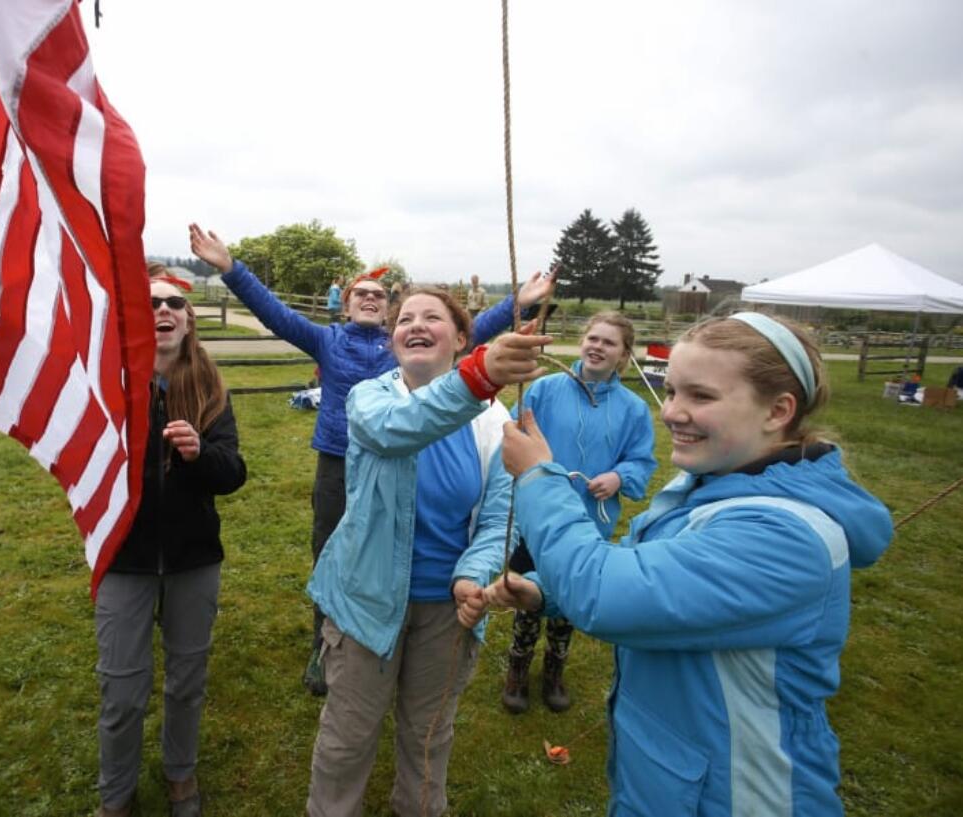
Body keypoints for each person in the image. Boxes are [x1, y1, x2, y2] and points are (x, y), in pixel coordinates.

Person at [485, 312, 892, 816]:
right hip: (675, 783)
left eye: (701, 396)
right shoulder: (714, 487)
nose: (672, 412)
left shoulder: (784, 535)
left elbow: (605, 595)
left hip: (737, 796)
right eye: (672, 391)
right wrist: (547, 593)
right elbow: (647, 575)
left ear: (777, 410)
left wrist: (537, 480)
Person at [188, 222, 553, 697]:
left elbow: (471, 331)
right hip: (338, 463)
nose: (369, 297)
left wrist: (518, 303)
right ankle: (327, 640)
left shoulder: (401, 349)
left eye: (379, 295)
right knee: (332, 548)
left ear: (386, 313)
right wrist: (232, 270)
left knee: (387, 546)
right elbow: (274, 314)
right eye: (360, 292)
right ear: (345, 304)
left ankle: (395, 626)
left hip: (395, 465)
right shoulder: (327, 341)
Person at [305, 287, 550, 817]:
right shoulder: (369, 399)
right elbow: (401, 431)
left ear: (460, 338)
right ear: (393, 340)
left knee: (428, 735)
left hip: (447, 609)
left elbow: (499, 520)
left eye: (431, 317)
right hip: (365, 601)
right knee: (348, 738)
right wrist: (477, 378)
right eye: (405, 319)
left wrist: (473, 573)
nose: (414, 325)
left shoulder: (491, 421)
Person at [93, 276, 247, 817]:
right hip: (123, 559)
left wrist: (198, 452)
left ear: (188, 318)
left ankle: (180, 775)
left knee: (187, 681)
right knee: (122, 692)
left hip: (193, 558)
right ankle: (117, 794)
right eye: (150, 301)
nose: (162, 308)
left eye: (173, 302)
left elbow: (232, 474)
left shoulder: (209, 387)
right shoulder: (106, 382)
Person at [502, 311, 657, 714]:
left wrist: (619, 477)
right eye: (593, 338)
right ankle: (518, 666)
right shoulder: (545, 390)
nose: (597, 346)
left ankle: (554, 668)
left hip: (589, 520)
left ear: (624, 355)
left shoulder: (634, 410)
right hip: (537, 518)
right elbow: (515, 438)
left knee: (570, 595)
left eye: (609, 342)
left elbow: (641, 461)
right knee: (528, 592)